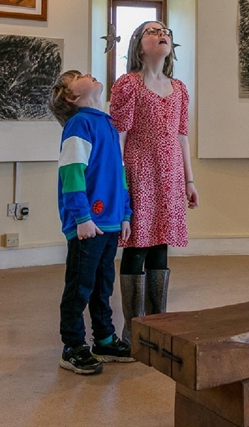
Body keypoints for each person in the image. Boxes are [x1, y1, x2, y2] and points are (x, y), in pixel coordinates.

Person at [109, 20, 199, 343]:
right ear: (138, 45)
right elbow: (118, 136)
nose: (161, 34)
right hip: (139, 174)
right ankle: (133, 330)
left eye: (165, 32)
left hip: (170, 177)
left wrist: (189, 180)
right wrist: (118, 182)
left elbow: (182, 137)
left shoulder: (180, 90)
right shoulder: (128, 85)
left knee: (160, 246)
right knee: (136, 246)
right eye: (152, 31)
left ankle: (157, 326)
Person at [48, 69, 134, 375]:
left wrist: (125, 213)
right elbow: (71, 173)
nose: (88, 73)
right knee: (80, 287)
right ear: (71, 96)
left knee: (103, 286)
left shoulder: (108, 124)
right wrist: (81, 217)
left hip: (110, 223)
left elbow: (119, 173)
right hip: (88, 224)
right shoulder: (79, 124)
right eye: (78, 76)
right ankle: (73, 345)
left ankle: (105, 338)